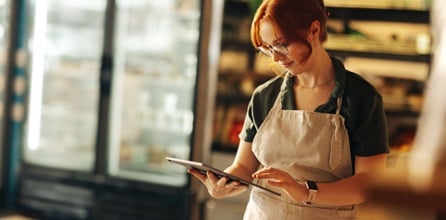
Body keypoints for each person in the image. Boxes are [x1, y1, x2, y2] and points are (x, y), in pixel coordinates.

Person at [189, 0, 389, 219]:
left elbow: (368, 184)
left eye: (281, 44)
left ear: (314, 30)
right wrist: (223, 183)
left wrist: (305, 191)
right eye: (267, 48)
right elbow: (244, 167)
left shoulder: (362, 98)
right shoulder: (265, 97)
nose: (275, 57)